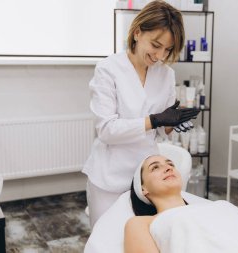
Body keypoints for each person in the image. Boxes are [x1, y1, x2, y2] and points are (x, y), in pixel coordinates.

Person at [83, 0, 200, 228]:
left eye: (167, 49)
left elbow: (162, 131)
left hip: (146, 178)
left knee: (143, 239)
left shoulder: (166, 74)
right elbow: (106, 131)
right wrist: (155, 120)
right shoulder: (108, 69)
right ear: (137, 32)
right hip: (109, 176)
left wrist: (173, 123)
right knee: (107, 240)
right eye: (155, 45)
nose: (159, 55)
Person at [124, 155, 238, 253]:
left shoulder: (219, 206)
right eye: (155, 167)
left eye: (170, 163)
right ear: (143, 188)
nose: (168, 167)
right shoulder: (142, 223)